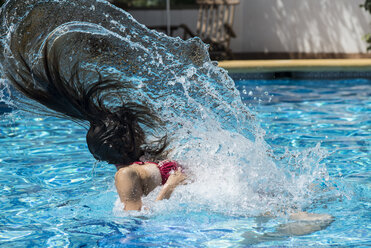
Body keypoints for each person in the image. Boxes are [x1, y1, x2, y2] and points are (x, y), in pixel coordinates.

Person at [5, 44, 186, 211]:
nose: (137, 130)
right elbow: (135, 219)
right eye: (130, 130)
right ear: (122, 142)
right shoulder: (124, 174)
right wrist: (170, 187)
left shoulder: (141, 161)